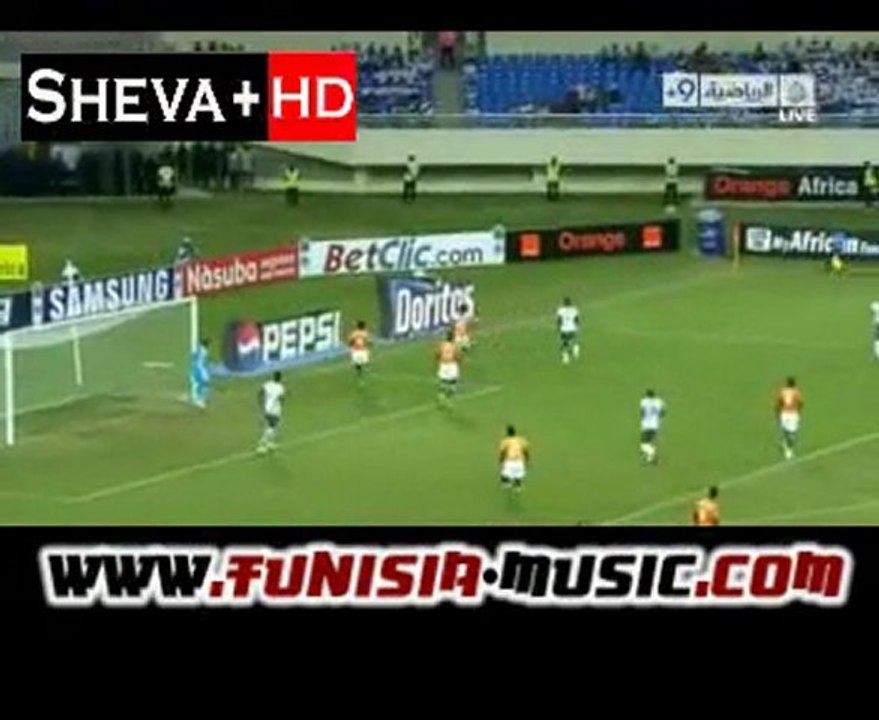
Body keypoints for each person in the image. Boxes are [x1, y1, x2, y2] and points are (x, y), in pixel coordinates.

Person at [257, 371, 286, 454]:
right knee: (272, 427)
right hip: (275, 409)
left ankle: (270, 443)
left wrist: (261, 402)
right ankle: (262, 444)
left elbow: (261, 392)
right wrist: (281, 405)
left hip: (267, 408)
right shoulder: (280, 387)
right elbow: (281, 398)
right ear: (280, 378)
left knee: (271, 426)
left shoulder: (268, 384)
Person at [776, 377, 803, 460]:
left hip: (784, 413)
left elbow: (778, 403)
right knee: (792, 433)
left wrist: (777, 412)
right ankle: (789, 449)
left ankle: (786, 445)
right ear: (794, 384)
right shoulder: (796, 392)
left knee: (786, 431)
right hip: (793, 414)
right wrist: (798, 410)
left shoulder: (782, 392)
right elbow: (801, 402)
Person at [499, 425, 530, 491]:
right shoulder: (521, 440)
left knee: (504, 479)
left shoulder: (505, 441)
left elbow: (502, 452)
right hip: (519, 462)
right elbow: (526, 451)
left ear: (507, 432)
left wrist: (501, 461)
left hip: (510, 461)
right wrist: (527, 460)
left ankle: (508, 489)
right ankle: (516, 489)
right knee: (518, 481)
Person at [639, 389, 666, 464]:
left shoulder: (644, 401)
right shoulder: (659, 402)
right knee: (650, 442)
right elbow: (663, 413)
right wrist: (659, 420)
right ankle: (649, 458)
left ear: (647, 395)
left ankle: (652, 454)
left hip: (646, 426)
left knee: (644, 444)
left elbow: (642, 412)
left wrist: (643, 421)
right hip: (655, 425)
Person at [436, 330, 461, 407]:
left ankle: (441, 397)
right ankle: (449, 400)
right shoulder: (453, 346)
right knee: (453, 382)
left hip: (443, 364)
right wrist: (459, 359)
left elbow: (438, 354)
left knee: (443, 382)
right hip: (451, 365)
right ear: (452, 337)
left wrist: (439, 360)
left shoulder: (442, 345)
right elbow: (456, 356)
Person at [556, 297, 580, 364]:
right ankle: (575, 350)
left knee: (564, 343)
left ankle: (566, 358)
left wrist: (558, 327)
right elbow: (577, 320)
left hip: (564, 329)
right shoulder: (574, 310)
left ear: (564, 303)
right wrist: (577, 327)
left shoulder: (560, 310)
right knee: (574, 340)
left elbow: (559, 320)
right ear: (570, 303)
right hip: (572, 328)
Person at [189, 338, 211, 408]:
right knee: (205, 384)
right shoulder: (203, 350)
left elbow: (194, 357)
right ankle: (199, 400)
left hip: (198, 369)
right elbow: (198, 358)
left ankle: (197, 398)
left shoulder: (201, 349)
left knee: (200, 384)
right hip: (200, 369)